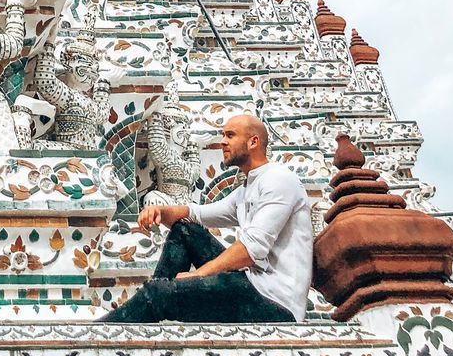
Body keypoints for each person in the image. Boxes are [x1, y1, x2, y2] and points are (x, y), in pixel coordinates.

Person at [103, 114, 313, 323]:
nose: (222, 142)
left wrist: (198, 275)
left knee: (160, 294)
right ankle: (158, 302)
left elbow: (251, 250)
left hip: (275, 303)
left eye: (230, 135)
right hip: (253, 284)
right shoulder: (247, 189)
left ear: (253, 142)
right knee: (184, 231)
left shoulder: (279, 180)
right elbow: (196, 213)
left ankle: (107, 330)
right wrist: (160, 211)